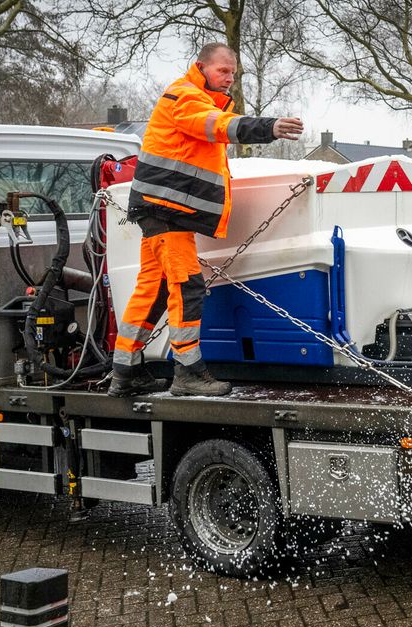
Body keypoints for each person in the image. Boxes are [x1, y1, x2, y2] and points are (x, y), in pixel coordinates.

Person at [110, 43, 304, 397]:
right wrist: (268, 127)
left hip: (161, 210)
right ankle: (188, 373)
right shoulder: (185, 97)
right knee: (187, 286)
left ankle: (125, 371)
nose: (229, 78)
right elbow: (216, 125)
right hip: (167, 212)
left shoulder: (194, 97)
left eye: (233, 72)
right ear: (201, 67)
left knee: (153, 290)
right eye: (222, 71)